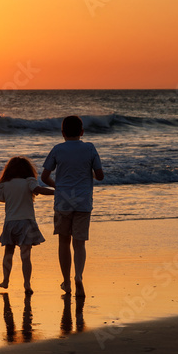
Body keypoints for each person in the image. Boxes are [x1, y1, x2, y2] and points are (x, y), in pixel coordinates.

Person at [42, 115, 104, 298]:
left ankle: (67, 282)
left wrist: (59, 186)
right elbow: (100, 175)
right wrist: (88, 176)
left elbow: (44, 176)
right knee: (79, 243)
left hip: (63, 201)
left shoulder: (57, 149)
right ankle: (78, 276)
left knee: (63, 242)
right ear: (82, 132)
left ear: (62, 133)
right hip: (83, 201)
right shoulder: (89, 148)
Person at [0, 156, 53, 294]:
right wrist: (57, 192)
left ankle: (5, 280)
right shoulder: (29, 181)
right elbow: (38, 190)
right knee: (26, 256)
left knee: (8, 253)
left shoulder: (4, 184)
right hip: (27, 222)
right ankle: (27, 284)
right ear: (28, 170)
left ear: (8, 170)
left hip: (10, 223)